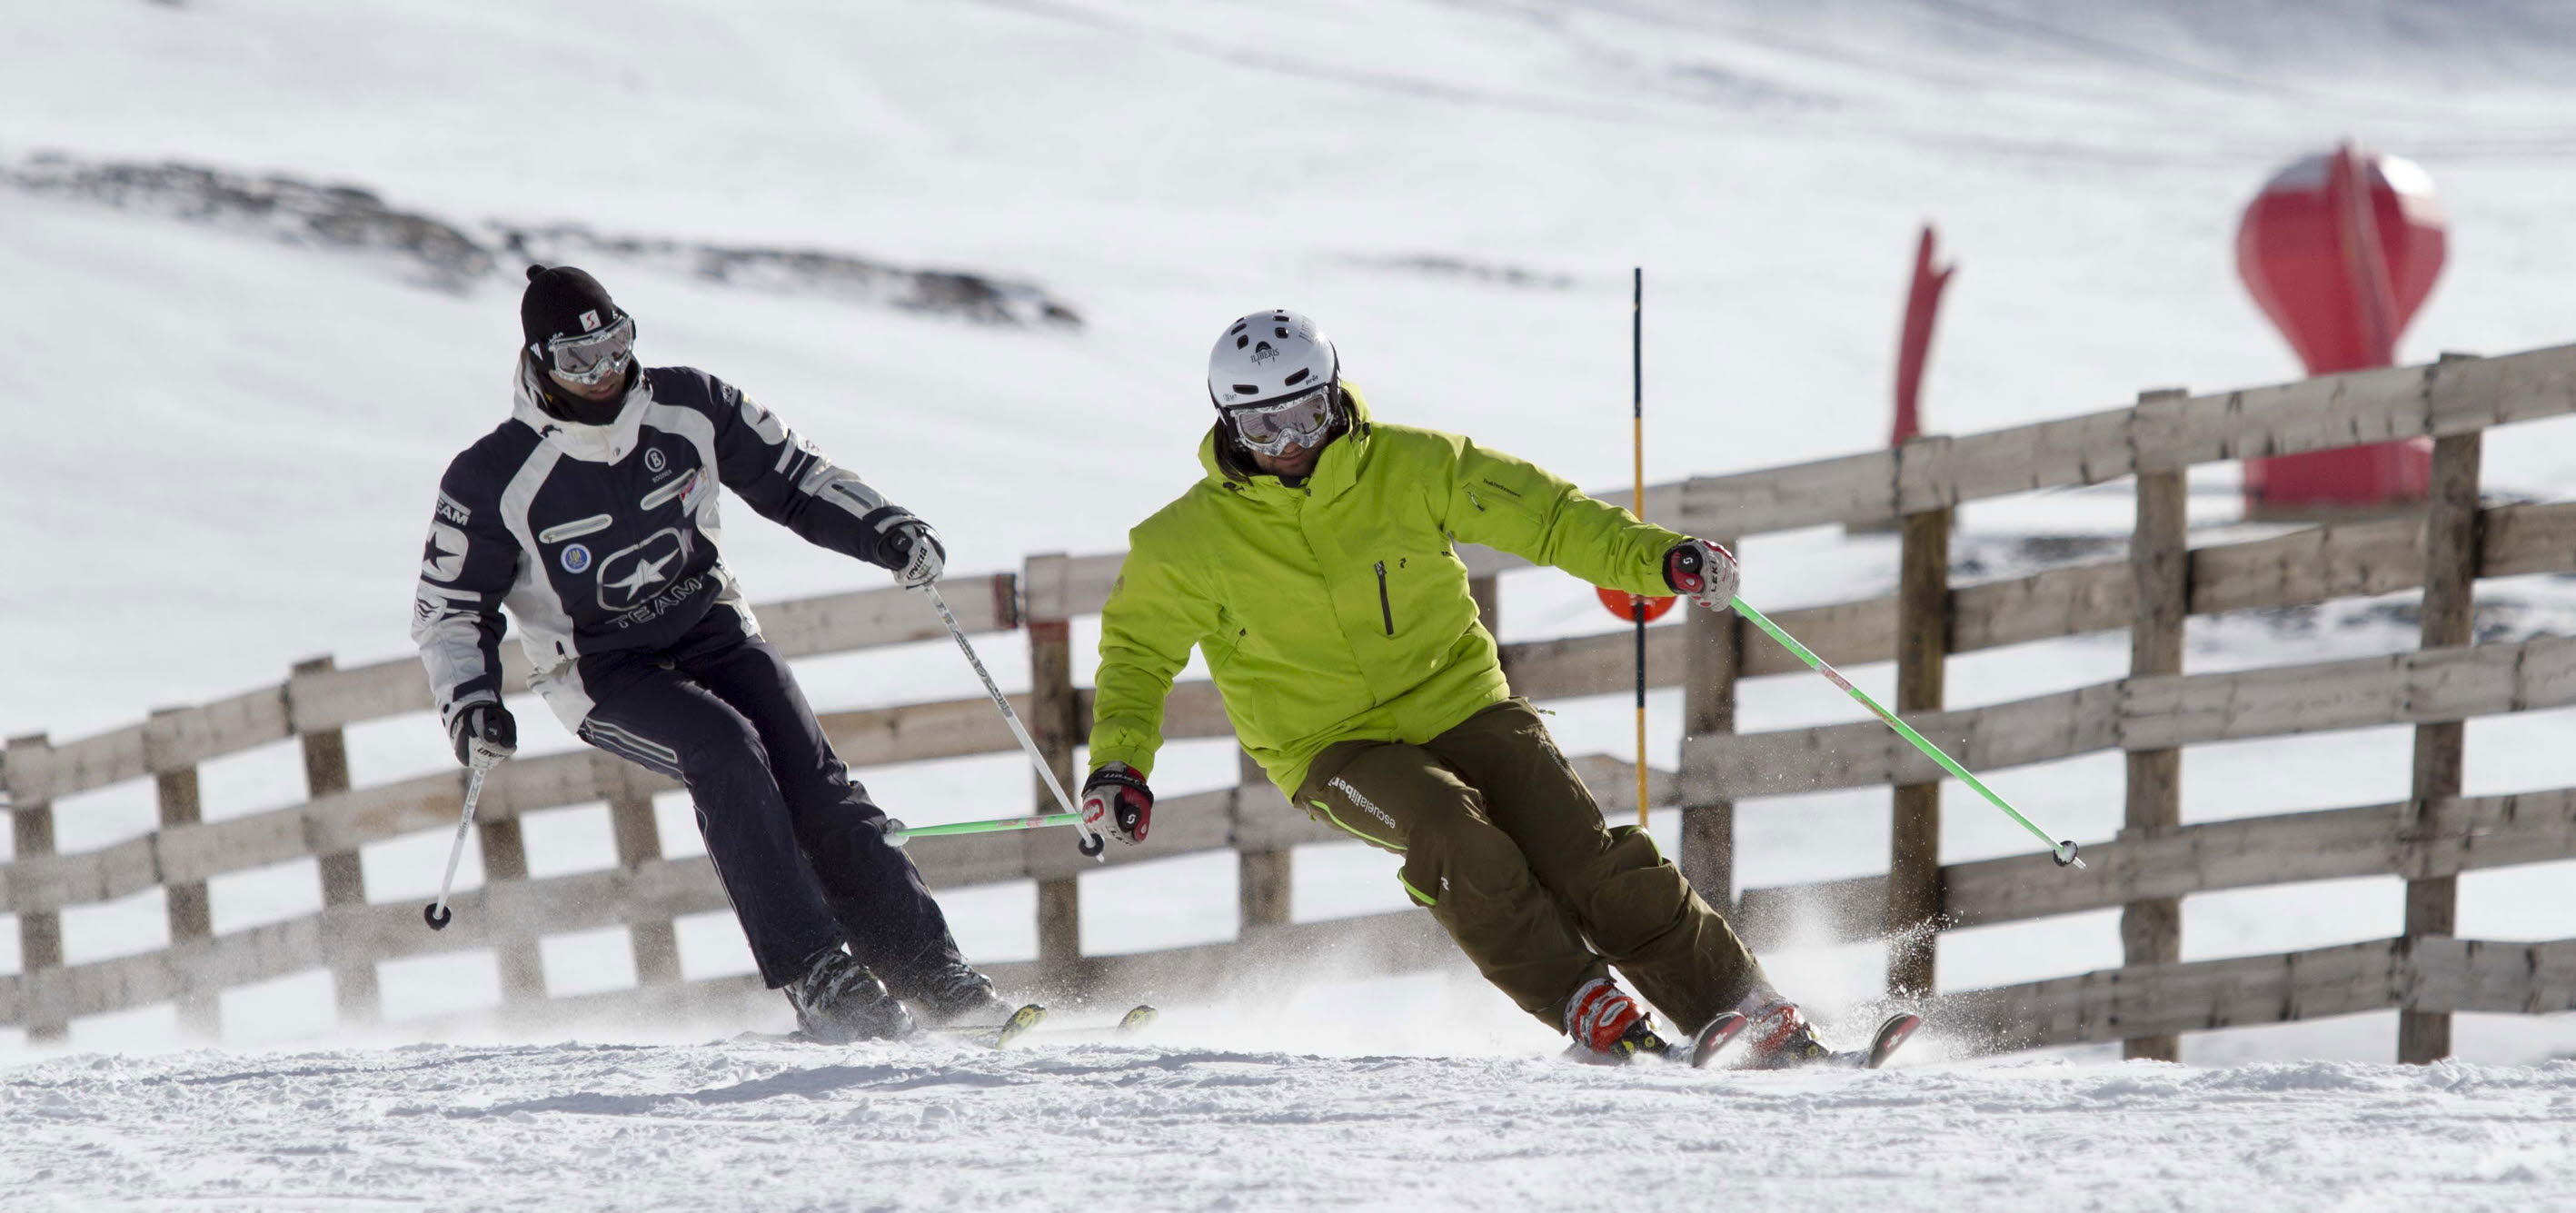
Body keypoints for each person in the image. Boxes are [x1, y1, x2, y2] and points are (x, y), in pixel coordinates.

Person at [1078, 309, 1829, 1064]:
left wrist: (1659, 559)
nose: (1290, 445)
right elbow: (1137, 655)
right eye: (1261, 427)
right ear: (1226, 425)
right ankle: (1581, 998)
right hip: (1332, 746)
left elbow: (1549, 517)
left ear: (1334, 395)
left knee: (1585, 858)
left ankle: (1742, 1006)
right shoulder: (1182, 543)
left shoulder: (1415, 465)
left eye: (1304, 414)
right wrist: (1119, 766)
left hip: (1464, 702)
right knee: (1451, 829)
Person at [410, 264, 1002, 1042]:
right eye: (577, 360)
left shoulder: (689, 404)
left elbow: (794, 477)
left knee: (814, 781)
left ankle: (932, 970)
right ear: (538, 363)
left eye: (615, 345)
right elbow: (450, 607)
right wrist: (471, 703)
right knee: (725, 750)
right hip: (601, 670)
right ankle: (817, 974)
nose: (603, 373)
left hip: (711, 625)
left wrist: (884, 528)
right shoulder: (493, 477)